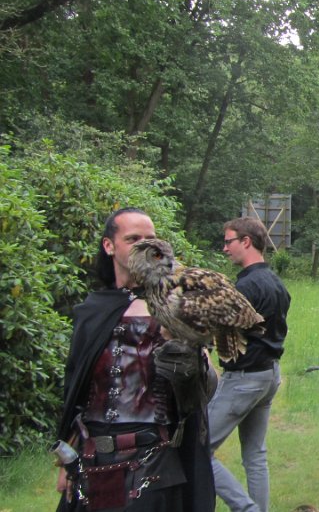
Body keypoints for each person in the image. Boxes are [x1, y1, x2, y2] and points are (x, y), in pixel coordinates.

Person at [55, 208, 216, 511]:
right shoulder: (93, 311)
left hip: (153, 461)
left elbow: (204, 389)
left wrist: (193, 363)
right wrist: (67, 458)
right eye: (133, 239)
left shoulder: (176, 304)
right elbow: (77, 394)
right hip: (92, 459)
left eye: (150, 238)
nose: (144, 246)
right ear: (109, 246)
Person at [208, 217, 290, 512]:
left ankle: (247, 509)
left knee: (198, 448)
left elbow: (220, 328)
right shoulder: (277, 284)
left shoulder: (244, 287)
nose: (224, 248)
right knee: (255, 454)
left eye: (228, 242)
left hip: (245, 379)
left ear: (246, 242)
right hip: (269, 375)